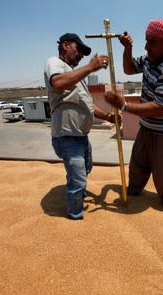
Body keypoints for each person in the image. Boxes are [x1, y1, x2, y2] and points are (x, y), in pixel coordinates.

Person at [104, 19, 163, 212]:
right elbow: (129, 69)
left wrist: (123, 105)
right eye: (146, 40)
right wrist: (128, 47)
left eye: (152, 42)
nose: (146, 46)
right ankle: (135, 190)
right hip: (147, 127)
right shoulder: (150, 59)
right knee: (138, 164)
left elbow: (158, 108)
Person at [44, 33, 117, 220]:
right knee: (78, 177)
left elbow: (88, 105)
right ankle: (75, 214)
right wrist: (90, 67)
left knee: (86, 168)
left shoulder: (76, 76)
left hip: (80, 135)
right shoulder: (55, 63)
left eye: (84, 55)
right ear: (66, 46)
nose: (81, 56)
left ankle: (77, 193)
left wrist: (108, 117)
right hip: (67, 135)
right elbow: (58, 83)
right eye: (79, 50)